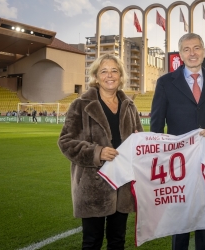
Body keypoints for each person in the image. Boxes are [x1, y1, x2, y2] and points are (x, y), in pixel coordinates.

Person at [150, 33, 205, 250]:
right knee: (180, 225)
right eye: (186, 49)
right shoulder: (165, 83)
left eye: (196, 48)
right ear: (180, 54)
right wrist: (161, 162)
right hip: (178, 165)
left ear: (204, 52)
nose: (192, 53)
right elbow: (156, 127)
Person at [57, 53, 143, 250]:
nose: (109, 75)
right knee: (92, 242)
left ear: (121, 76)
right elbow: (65, 141)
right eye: (104, 71)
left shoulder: (129, 106)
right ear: (96, 76)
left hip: (122, 183)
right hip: (92, 185)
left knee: (117, 240)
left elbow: (139, 140)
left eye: (114, 71)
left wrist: (139, 141)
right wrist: (97, 152)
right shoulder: (80, 105)